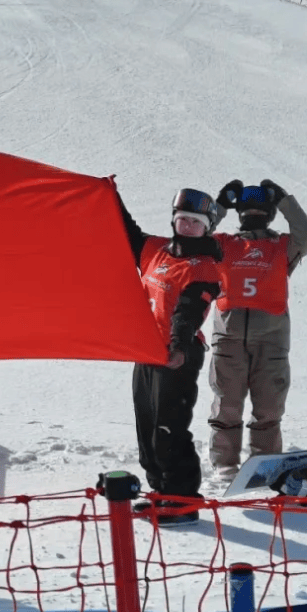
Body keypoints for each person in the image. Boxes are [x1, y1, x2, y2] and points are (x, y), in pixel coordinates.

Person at [117, 187, 223, 524]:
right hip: (147, 351)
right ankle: (160, 492)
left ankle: (182, 500)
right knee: (147, 427)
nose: (188, 226)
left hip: (178, 355)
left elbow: (188, 311)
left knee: (168, 428)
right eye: (183, 219)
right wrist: (111, 195)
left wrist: (178, 346)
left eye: (196, 222)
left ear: (207, 227)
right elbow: (126, 232)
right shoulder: (155, 250)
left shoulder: (203, 266)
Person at [207, 180, 307, 483]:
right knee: (226, 407)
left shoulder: (282, 246)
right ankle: (224, 465)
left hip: (271, 341)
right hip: (229, 340)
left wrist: (285, 201)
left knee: (269, 409)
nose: (252, 216)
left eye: (258, 211)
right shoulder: (224, 244)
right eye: (248, 211)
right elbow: (194, 239)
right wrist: (219, 206)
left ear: (269, 214)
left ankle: (264, 462)